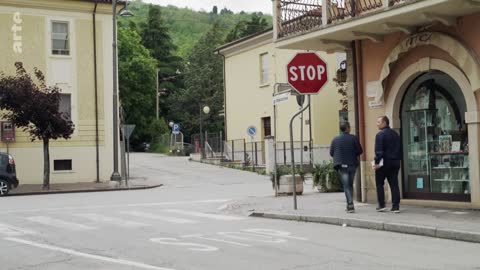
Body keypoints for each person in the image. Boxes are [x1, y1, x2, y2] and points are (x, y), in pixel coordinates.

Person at [330, 122, 363, 213]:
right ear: (348, 128)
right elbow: (360, 151)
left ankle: (350, 205)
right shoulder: (353, 138)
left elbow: (331, 153)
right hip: (352, 164)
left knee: (346, 185)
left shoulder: (335, 139)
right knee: (350, 185)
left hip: (341, 166)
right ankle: (349, 204)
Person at [372, 116, 402, 213]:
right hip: (395, 162)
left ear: (385, 123)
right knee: (394, 184)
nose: (377, 123)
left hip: (384, 163)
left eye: (378, 122)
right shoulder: (396, 134)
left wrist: (376, 163)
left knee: (379, 184)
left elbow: (379, 152)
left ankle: (381, 205)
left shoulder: (380, 135)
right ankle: (395, 206)